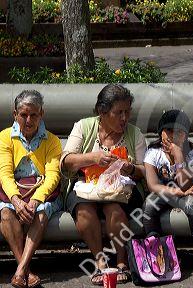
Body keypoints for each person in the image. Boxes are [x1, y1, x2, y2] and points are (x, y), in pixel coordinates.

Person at [61, 84, 146, 285]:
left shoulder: (135, 134)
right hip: (86, 187)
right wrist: (92, 158)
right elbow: (65, 161)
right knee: (83, 211)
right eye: (118, 113)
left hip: (122, 189)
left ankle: (121, 261)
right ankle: (100, 261)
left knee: (113, 208)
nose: (124, 118)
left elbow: (145, 170)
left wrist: (131, 169)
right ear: (102, 111)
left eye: (127, 112)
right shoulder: (83, 126)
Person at [142, 109, 193, 278]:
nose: (172, 136)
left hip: (188, 191)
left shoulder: (190, 152)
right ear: (160, 132)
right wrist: (174, 191)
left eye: (178, 132)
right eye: (168, 130)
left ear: (185, 135)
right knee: (148, 205)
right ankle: (156, 249)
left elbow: (186, 184)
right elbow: (153, 185)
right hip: (165, 192)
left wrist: (178, 156)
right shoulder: (153, 152)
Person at [0, 90, 62, 288]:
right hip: (13, 192)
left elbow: (53, 175)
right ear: (14, 114)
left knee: (42, 213)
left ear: (41, 114)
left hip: (43, 193)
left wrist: (36, 200)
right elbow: (4, 174)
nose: (29, 120)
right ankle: (25, 270)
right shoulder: (4, 138)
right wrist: (17, 200)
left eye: (34, 114)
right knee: (6, 213)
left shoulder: (51, 140)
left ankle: (20, 270)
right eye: (23, 114)